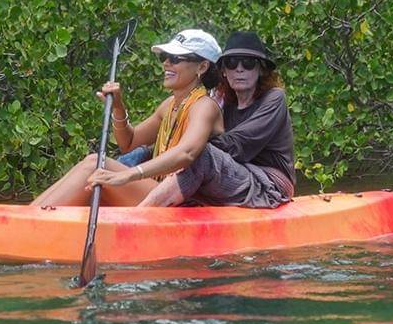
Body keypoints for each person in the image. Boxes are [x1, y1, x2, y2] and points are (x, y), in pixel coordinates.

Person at [31, 29, 222, 208]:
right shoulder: (170, 104)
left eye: (175, 59)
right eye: (164, 57)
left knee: (95, 164)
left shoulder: (204, 105)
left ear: (202, 66)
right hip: (159, 189)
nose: (166, 63)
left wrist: (129, 175)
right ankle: (26, 217)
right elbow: (128, 143)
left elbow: (186, 153)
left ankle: (24, 223)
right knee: (94, 164)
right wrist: (118, 107)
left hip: (183, 198)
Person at [138, 31, 295, 209]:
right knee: (149, 153)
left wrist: (191, 144)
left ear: (261, 70)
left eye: (248, 63)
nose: (239, 69)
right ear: (224, 71)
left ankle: (140, 216)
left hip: (270, 186)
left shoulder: (274, 98)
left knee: (198, 153)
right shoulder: (223, 101)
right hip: (234, 175)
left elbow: (237, 146)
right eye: (231, 63)